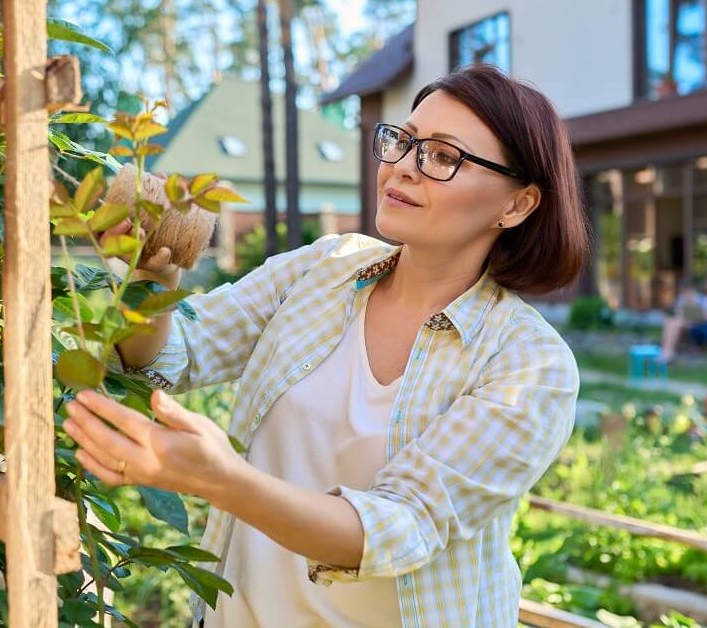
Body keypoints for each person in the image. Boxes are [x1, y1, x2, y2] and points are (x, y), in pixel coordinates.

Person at [61, 64, 589, 628]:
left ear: (518, 204)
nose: (403, 168)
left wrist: (220, 479)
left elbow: (401, 527)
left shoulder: (529, 364)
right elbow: (177, 349)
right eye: (403, 141)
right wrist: (154, 273)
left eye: (442, 156)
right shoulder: (326, 267)